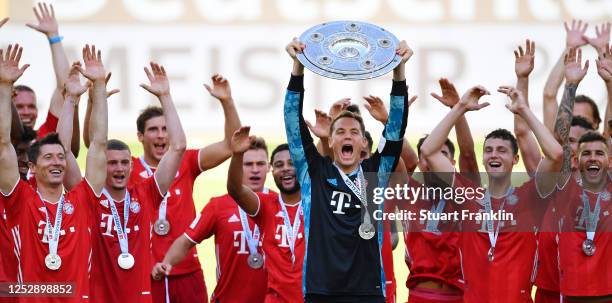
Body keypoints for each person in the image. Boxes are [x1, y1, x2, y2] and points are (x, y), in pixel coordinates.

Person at [283, 37, 410, 302]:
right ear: (330, 141)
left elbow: (395, 128)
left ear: (364, 142)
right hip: (321, 292)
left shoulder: (377, 170)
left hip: (368, 292)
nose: (347, 136)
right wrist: (298, 68)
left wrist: (399, 73)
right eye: (339, 131)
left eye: (354, 132)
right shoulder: (313, 172)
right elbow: (292, 122)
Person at [420, 73, 563, 302]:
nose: (494, 154)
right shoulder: (467, 195)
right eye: (489, 150)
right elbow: (428, 150)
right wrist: (460, 108)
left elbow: (556, 154)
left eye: (502, 150)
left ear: (515, 159)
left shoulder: (529, 196)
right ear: (483, 157)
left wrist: (524, 110)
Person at [59, 61, 186, 303]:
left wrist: (166, 97)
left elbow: (178, 147)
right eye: (111, 162)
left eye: (124, 162)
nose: (119, 168)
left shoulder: (146, 193)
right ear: (100, 166)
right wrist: (70, 99)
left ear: (131, 164)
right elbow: (64, 151)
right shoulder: (88, 197)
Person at [0, 44, 108, 302]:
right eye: (48, 157)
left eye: (61, 157)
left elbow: (99, 145)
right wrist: (4, 88)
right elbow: (3, 144)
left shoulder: (81, 199)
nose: (57, 162)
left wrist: (99, 88)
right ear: (32, 167)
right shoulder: (21, 201)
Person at [126, 72, 240, 303]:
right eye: (153, 130)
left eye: (166, 129)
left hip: (187, 270)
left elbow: (231, 145)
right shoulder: (126, 170)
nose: (161, 135)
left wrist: (227, 102)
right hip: (144, 272)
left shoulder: (186, 162)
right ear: (140, 136)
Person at [152, 137, 271, 303]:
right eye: (248, 164)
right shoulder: (219, 206)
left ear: (269, 167)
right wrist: (166, 263)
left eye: (260, 164)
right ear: (237, 167)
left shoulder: (279, 204)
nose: (255, 170)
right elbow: (186, 241)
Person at [227, 131, 304, 303]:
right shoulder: (265, 204)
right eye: (279, 164)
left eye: (292, 163)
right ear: (272, 170)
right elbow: (235, 190)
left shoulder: (316, 204)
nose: (285, 168)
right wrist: (238, 155)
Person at [17, 3, 80, 157]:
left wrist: (54, 37)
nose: (27, 112)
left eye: (31, 106)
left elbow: (64, 87)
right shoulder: (4, 141)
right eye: (19, 106)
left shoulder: (46, 137)